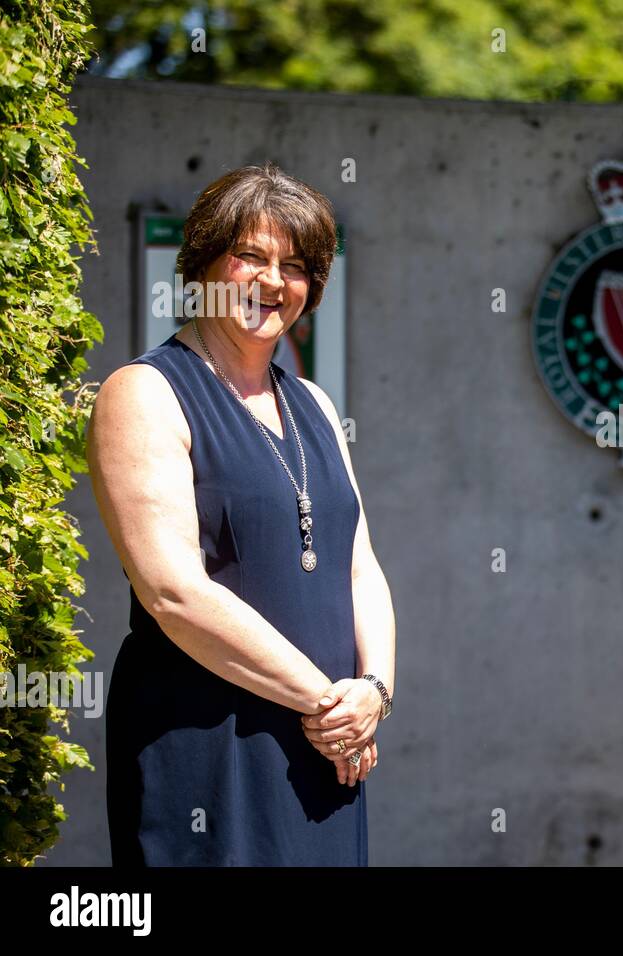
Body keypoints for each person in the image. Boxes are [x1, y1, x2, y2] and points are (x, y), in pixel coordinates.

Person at [88, 163, 396, 865]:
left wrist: (375, 692)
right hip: (212, 747)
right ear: (202, 263)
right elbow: (173, 592)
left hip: (326, 750)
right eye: (250, 255)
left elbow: (359, 566)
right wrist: (328, 705)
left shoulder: (313, 403)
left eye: (294, 265)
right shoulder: (143, 392)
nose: (272, 281)